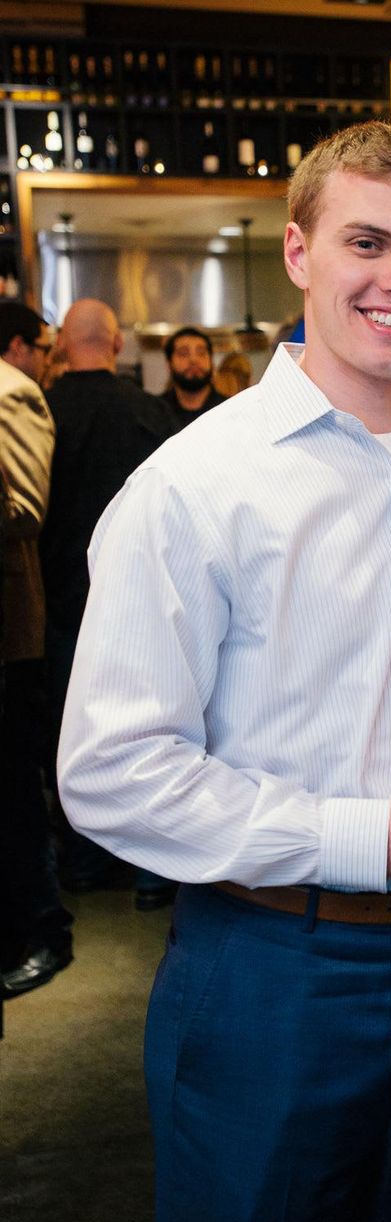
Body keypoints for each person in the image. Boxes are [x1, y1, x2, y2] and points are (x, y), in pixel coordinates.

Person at [57, 121, 391, 1222]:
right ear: (300, 251)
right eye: (366, 242)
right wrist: (369, 836)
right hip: (272, 966)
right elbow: (111, 770)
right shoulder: (193, 486)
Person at [41, 299, 177, 908]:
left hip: (59, 596)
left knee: (71, 729)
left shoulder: (40, 410)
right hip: (146, 593)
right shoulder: (150, 412)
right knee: (158, 722)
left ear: (63, 345)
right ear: (118, 343)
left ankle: (84, 860)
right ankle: (154, 872)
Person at [0, 302, 74, 998]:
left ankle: (42, 930)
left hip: (8, 636)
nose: (47, 359)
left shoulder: (12, 390)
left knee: (14, 789)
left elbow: (25, 507)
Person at [159, 326, 225, 428]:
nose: (193, 360)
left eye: (201, 353)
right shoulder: (154, 413)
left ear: (212, 362)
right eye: (184, 354)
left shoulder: (228, 410)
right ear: (169, 365)